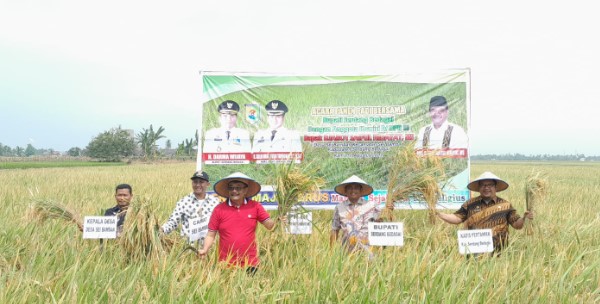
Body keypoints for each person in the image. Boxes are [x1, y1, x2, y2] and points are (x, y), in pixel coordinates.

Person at [198, 172, 277, 274]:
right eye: (231, 188)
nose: (234, 191)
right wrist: (205, 249)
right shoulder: (219, 209)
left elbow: (269, 225)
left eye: (238, 188)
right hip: (226, 264)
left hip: (250, 263)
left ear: (245, 190)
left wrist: (278, 221)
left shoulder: (255, 206)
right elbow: (210, 234)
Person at [436, 172, 534, 253]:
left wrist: (524, 218)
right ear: (479, 188)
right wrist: (438, 214)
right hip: (474, 251)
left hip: (499, 252)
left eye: (490, 185)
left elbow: (517, 225)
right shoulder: (470, 204)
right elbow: (457, 218)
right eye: (483, 185)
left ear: (495, 187)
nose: (486, 188)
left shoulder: (506, 205)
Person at [161, 171, 221, 243]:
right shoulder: (183, 202)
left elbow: (222, 223)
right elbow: (173, 222)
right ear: (192, 183)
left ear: (208, 184)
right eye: (195, 182)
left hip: (210, 248)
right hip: (188, 249)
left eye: (201, 182)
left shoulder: (215, 202)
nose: (198, 185)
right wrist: (161, 230)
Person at [330, 175, 382, 253]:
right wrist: (331, 252)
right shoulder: (339, 207)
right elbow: (335, 230)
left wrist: (389, 212)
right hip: (346, 252)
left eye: (356, 188)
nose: (353, 190)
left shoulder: (372, 206)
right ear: (345, 191)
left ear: (361, 191)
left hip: (368, 251)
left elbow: (382, 223)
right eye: (350, 188)